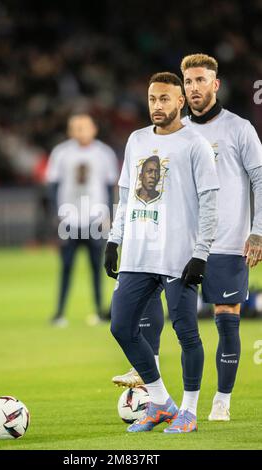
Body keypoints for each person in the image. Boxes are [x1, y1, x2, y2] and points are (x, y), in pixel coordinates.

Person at [113, 53, 262, 422]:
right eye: (189, 81)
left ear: (215, 84)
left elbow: (260, 179)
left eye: (201, 80)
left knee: (226, 317)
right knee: (159, 311)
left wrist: (257, 231)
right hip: (174, 245)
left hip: (227, 241)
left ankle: (220, 400)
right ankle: (155, 383)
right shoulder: (171, 135)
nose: (195, 87)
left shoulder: (238, 129)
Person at [105, 72, 219, 433]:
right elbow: (126, 196)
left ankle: (188, 411)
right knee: (122, 327)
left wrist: (201, 252)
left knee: (186, 332)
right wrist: (113, 239)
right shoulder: (136, 140)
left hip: (179, 254)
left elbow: (210, 202)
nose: (157, 106)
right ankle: (160, 402)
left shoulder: (194, 144)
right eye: (153, 99)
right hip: (139, 253)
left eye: (165, 99)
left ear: (180, 101)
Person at [46, 113, 118, 326]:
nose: (80, 131)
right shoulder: (61, 153)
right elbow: (52, 185)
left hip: (95, 217)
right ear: (69, 131)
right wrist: (56, 214)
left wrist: (110, 215)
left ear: (94, 129)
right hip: (69, 218)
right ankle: (59, 313)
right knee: (66, 267)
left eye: (84, 127)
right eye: (75, 127)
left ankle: (99, 310)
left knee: (97, 267)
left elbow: (109, 187)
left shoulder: (104, 153)